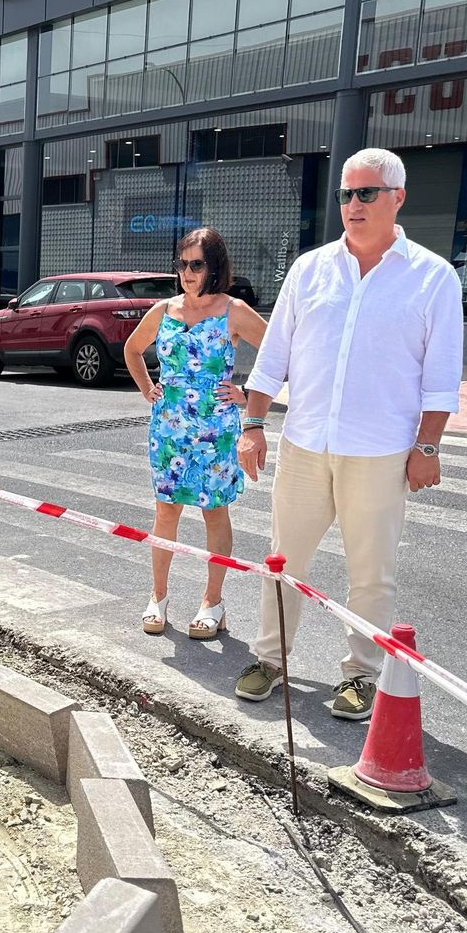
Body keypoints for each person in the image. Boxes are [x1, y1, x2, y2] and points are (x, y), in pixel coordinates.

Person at [233, 147, 463, 720]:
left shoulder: (433, 278)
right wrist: (253, 425)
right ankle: (270, 658)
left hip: (380, 452)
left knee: (371, 574)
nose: (352, 205)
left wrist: (427, 446)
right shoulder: (310, 269)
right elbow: (273, 356)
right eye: (345, 194)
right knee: (284, 561)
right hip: (305, 445)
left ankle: (362, 674)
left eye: (366, 193)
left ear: (397, 198)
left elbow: (440, 378)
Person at [123, 228, 267, 639]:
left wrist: (246, 394)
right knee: (166, 511)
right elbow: (133, 350)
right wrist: (146, 386)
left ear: (214, 266)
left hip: (215, 430)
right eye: (182, 264)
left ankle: (212, 603)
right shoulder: (164, 310)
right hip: (168, 428)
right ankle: (158, 596)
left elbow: (280, 354)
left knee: (213, 512)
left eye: (196, 264)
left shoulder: (232, 310)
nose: (187, 272)